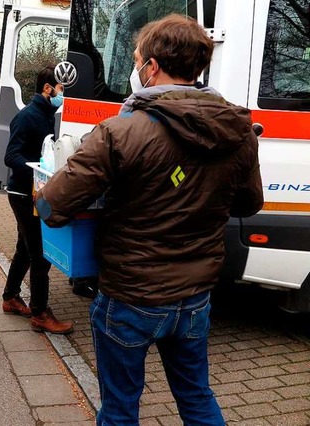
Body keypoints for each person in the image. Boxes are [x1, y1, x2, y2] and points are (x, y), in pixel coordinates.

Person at [36, 15, 263, 425]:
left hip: (131, 296)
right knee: (197, 398)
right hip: (195, 298)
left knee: (121, 409)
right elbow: (249, 204)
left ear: (152, 67)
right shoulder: (239, 130)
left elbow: (52, 207)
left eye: (137, 59)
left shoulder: (120, 132)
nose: (135, 69)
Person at [1, 65, 74, 334]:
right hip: (23, 194)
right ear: (48, 88)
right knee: (40, 255)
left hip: (34, 193)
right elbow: (11, 156)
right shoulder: (28, 116)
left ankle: (10, 297)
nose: (62, 95)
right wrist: (37, 168)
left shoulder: (46, 115)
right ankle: (40, 313)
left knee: (25, 249)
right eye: (61, 89)